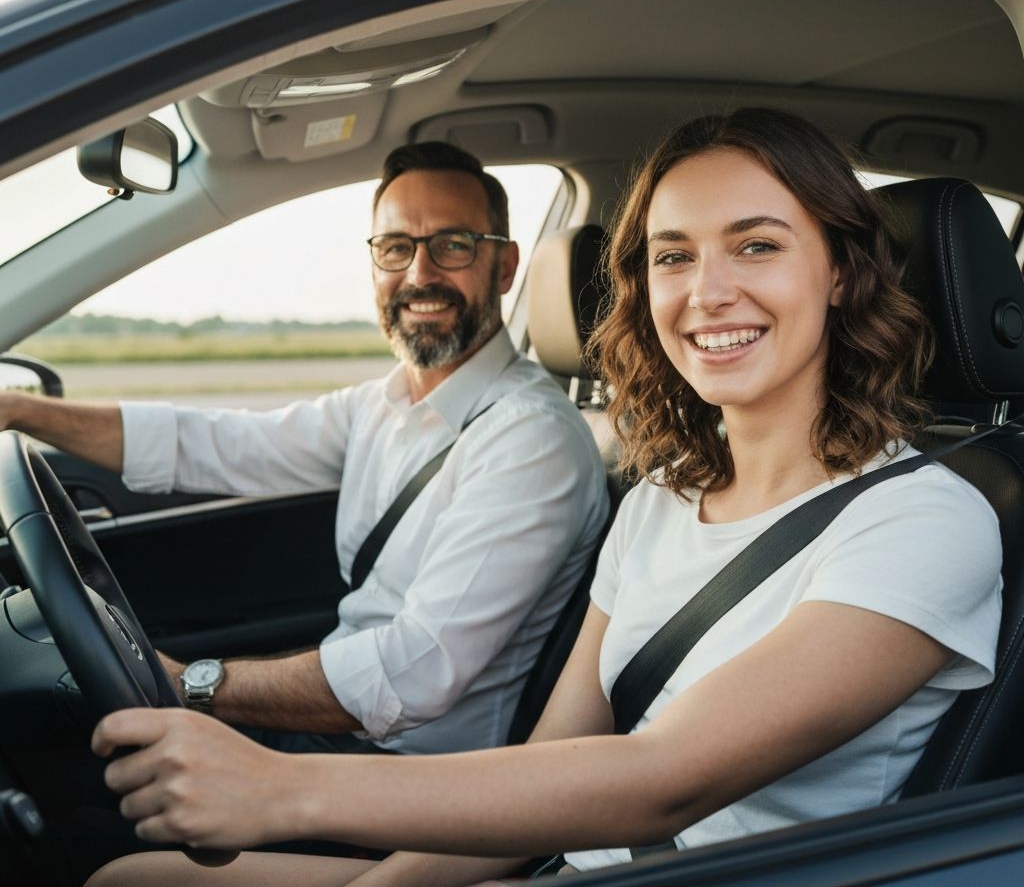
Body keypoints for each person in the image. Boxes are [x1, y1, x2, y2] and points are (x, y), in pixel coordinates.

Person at [83, 108, 1002, 887]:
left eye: (756, 246)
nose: (708, 292)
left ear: (839, 270)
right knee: (134, 879)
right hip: (570, 865)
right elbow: (552, 767)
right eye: (673, 257)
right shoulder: (662, 501)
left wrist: (282, 789)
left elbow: (663, 781)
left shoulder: (925, 523)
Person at [0, 141, 609, 762]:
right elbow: (215, 443)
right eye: (395, 247)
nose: (419, 274)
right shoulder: (383, 404)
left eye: (453, 245)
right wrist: (22, 411)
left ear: (504, 268)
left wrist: (189, 686)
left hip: (403, 775)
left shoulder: (531, 440)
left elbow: (414, 673)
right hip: (339, 733)